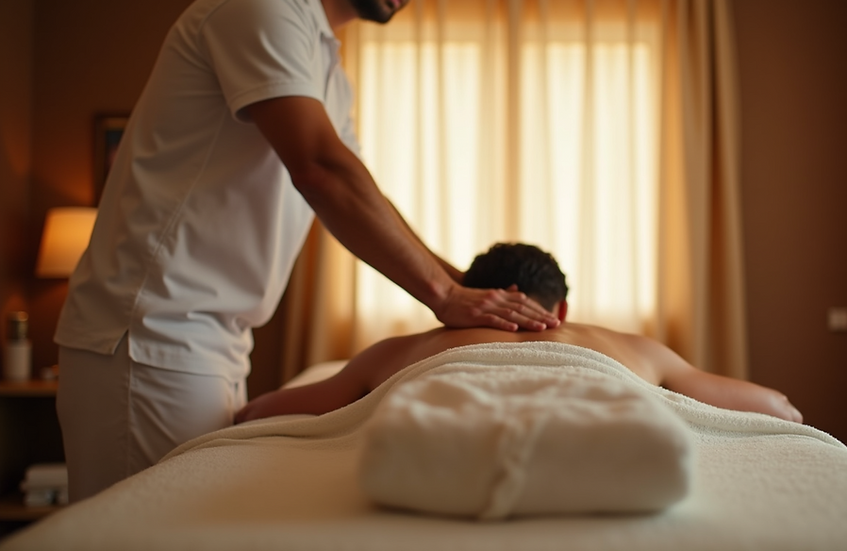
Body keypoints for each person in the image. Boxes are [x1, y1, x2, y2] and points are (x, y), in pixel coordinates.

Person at [53, 0, 558, 502]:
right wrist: (445, 294)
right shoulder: (261, 8)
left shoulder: (326, 65)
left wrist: (466, 287)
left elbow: (362, 197)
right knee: (154, 528)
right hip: (153, 330)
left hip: (209, 337)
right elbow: (321, 170)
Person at [235, 243, 803, 425]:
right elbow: (779, 409)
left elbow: (260, 413)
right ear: (563, 309)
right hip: (603, 431)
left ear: (468, 300)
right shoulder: (629, 346)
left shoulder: (401, 351)